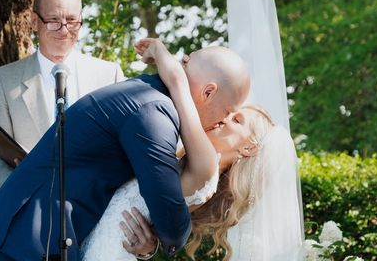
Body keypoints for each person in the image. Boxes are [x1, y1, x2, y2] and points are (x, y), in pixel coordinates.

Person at [0, 40, 251, 261]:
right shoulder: (155, 112)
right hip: (34, 237)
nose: (222, 121)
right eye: (227, 112)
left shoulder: (147, 93)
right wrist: (168, 239)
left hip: (35, 233)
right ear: (208, 92)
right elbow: (169, 215)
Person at [82, 38, 276, 261]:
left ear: (249, 148)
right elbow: (158, 221)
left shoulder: (207, 165)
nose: (226, 118)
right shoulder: (197, 167)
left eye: (238, 120)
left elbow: (177, 85)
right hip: (104, 240)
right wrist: (148, 248)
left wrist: (159, 49)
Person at [0, 0, 125, 189]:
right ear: (34, 21)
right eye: (53, 20)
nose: (63, 30)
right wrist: (21, 189)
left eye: (72, 20)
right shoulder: (4, 80)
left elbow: (129, 145)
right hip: (32, 208)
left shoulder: (109, 75)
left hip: (100, 204)